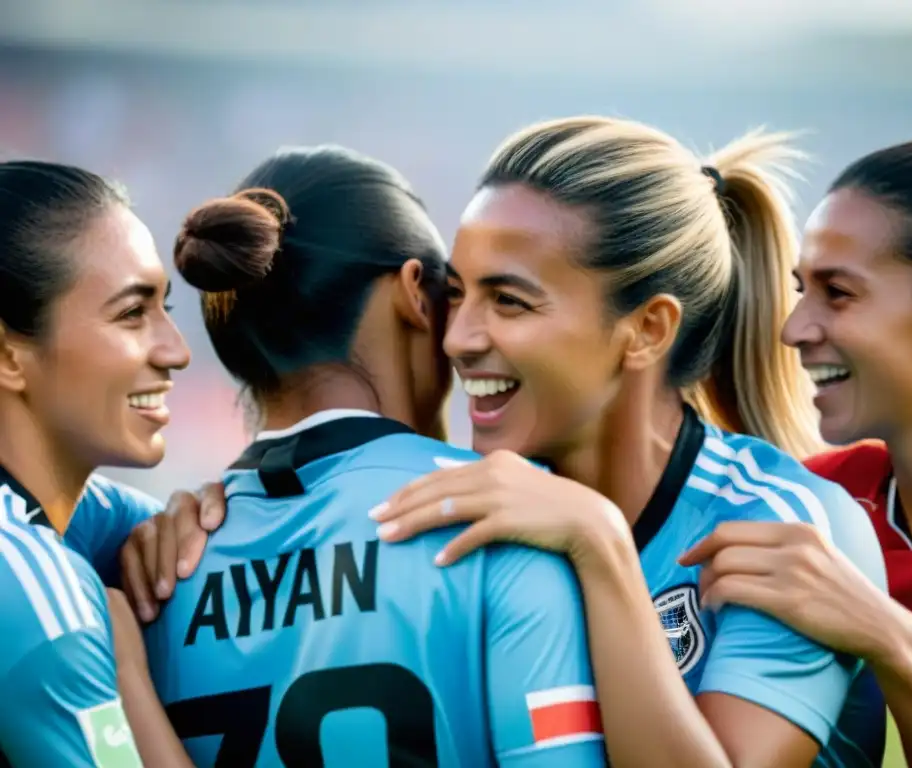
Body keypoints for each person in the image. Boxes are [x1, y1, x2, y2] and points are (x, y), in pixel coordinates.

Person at [130, 119, 888, 766]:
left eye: (510, 301)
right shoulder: (486, 514)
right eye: (455, 294)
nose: (456, 338)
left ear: (648, 329)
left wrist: (602, 545)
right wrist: (220, 512)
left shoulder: (782, 525)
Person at [134, 146, 607, 767]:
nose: (462, 334)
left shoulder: (156, 569)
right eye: (452, 294)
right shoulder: (514, 518)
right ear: (416, 292)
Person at [679, 139, 912, 768]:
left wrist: (890, 638)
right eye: (800, 290)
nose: (794, 329)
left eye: (838, 293)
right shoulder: (807, 506)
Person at [0, 160, 191, 766]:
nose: (177, 351)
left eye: (167, 309)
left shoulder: (79, 522)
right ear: (8, 355)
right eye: (133, 314)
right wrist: (129, 677)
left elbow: (147, 524)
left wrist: (203, 512)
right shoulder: (33, 588)